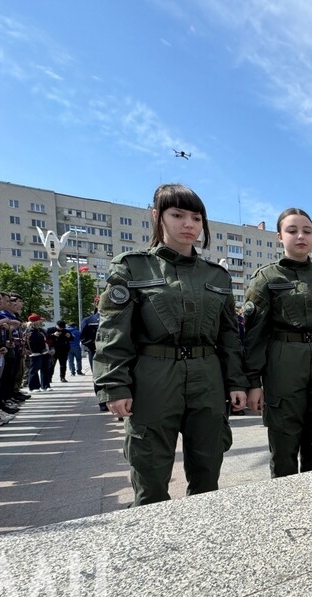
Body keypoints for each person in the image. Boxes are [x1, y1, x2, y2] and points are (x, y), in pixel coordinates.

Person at [94, 184, 247, 506]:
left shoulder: (217, 275)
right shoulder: (132, 267)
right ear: (156, 216)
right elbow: (113, 330)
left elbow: (229, 336)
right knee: (149, 473)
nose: (188, 224)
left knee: (207, 470)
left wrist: (236, 382)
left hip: (207, 377)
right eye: (177, 215)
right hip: (153, 376)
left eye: (196, 217)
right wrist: (114, 386)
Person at [243, 207, 312, 478]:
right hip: (284, 360)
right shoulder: (266, 278)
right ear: (279, 237)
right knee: (284, 439)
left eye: (307, 231)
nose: (300, 236)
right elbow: (254, 335)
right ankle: (285, 501)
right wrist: (253, 382)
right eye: (292, 231)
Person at [23, 314, 53, 391]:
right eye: (40, 320)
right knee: (34, 370)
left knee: (45, 369)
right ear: (35, 322)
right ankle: (34, 386)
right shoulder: (30, 331)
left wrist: (50, 348)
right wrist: (42, 349)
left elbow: (47, 339)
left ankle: (46, 385)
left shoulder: (41, 330)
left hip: (45, 352)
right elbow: (32, 343)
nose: (42, 322)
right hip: (36, 353)